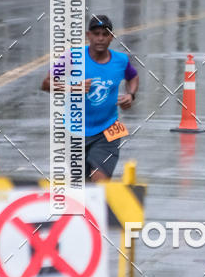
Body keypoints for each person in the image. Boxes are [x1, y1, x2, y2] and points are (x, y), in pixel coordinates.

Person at [41, 14, 139, 181]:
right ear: (88, 35)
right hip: (74, 131)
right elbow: (46, 83)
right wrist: (73, 88)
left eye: (105, 34)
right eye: (96, 34)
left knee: (99, 182)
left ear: (112, 37)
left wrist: (130, 94)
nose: (100, 38)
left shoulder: (121, 60)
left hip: (108, 130)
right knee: (81, 184)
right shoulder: (72, 57)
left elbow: (133, 77)